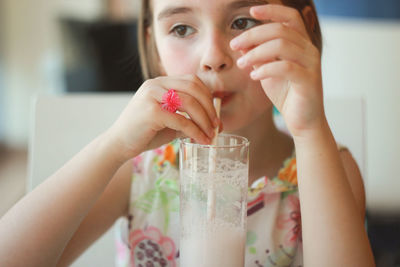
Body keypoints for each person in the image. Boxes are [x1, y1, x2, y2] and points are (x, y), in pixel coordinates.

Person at [0, 0, 376, 266]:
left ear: (303, 31)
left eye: (243, 22)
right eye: (181, 28)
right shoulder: (140, 169)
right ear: (153, 45)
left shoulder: (329, 170)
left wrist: (311, 129)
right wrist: (113, 146)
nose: (213, 55)